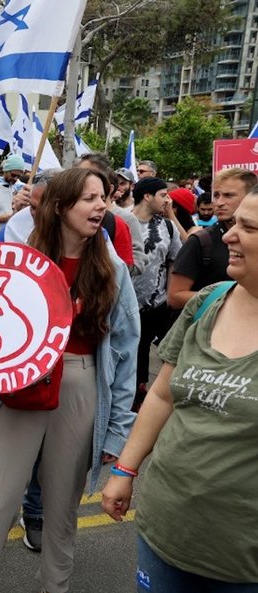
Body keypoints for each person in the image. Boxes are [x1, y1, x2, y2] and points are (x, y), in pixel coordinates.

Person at [0, 167, 140, 593]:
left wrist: (117, 431)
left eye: (104, 198)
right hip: (21, 388)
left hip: (81, 385)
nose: (101, 206)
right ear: (60, 207)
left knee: (61, 510)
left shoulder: (112, 267)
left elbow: (127, 352)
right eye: (89, 199)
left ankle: (54, 587)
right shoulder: (22, 258)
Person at [101, 191, 258, 592]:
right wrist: (124, 469)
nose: (227, 236)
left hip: (241, 559)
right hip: (165, 532)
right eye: (234, 223)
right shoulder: (206, 302)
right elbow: (162, 395)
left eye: (249, 227)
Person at [168, 168, 258, 309]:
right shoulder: (200, 241)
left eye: (228, 195)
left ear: (250, 197)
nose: (219, 202)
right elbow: (175, 297)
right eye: (216, 195)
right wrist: (228, 299)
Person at [130, 178, 181, 409]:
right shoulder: (121, 221)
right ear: (147, 196)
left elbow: (175, 260)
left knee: (171, 352)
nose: (167, 200)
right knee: (136, 356)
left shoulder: (167, 226)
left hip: (160, 304)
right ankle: (137, 400)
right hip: (129, 306)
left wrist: (171, 293)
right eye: (163, 195)